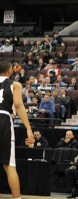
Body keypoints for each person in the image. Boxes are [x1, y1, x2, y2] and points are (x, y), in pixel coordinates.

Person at [0, 61, 34, 199]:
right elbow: (19, 105)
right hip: (3, 119)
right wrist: (28, 128)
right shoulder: (15, 84)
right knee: (9, 165)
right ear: (9, 71)